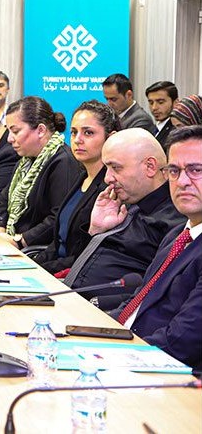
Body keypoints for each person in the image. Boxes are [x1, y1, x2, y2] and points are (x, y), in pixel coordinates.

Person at [110, 125, 202, 371]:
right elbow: (139, 303)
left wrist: (111, 355)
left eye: (196, 170)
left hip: (163, 372)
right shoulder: (178, 234)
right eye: (174, 171)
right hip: (130, 347)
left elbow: (181, 342)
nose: (182, 182)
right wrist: (91, 329)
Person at [63, 129, 185, 300]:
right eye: (106, 168)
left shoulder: (174, 222)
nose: (107, 178)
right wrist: (96, 231)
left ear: (150, 166)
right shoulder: (123, 203)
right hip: (70, 295)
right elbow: (80, 262)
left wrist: (98, 303)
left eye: (116, 168)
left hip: (101, 311)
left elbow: (155, 293)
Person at [34, 101, 119, 274]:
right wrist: (32, 263)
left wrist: (41, 270)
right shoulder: (81, 177)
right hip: (54, 270)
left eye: (88, 133)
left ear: (110, 138)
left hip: (73, 276)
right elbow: (58, 243)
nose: (77, 140)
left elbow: (86, 255)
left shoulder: (110, 188)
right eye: (73, 132)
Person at [0, 97, 80, 249]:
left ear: (41, 130)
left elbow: (58, 217)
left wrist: (20, 240)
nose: (9, 139)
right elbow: (3, 200)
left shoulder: (64, 162)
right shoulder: (25, 162)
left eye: (15, 131)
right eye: (8, 131)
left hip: (35, 250)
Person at [145, 81, 178, 147]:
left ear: (175, 103)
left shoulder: (176, 131)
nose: (154, 107)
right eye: (151, 103)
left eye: (160, 102)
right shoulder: (150, 129)